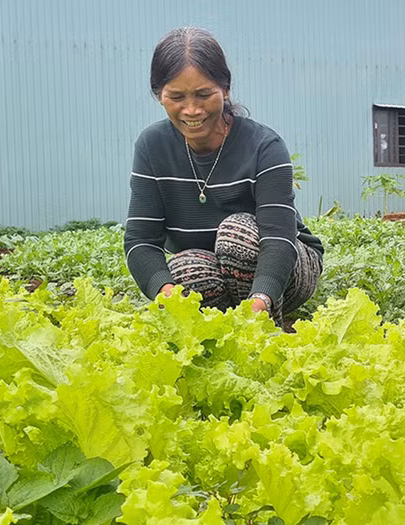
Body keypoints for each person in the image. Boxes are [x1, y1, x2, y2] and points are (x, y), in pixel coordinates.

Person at [124, 27, 323, 324]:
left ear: (225, 89)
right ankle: (223, 333)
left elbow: (279, 239)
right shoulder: (152, 146)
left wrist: (260, 298)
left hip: (287, 266)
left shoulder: (263, 146)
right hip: (212, 268)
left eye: (204, 95)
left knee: (236, 234)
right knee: (184, 272)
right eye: (176, 97)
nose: (191, 110)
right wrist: (166, 293)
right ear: (159, 95)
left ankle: (267, 327)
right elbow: (141, 240)